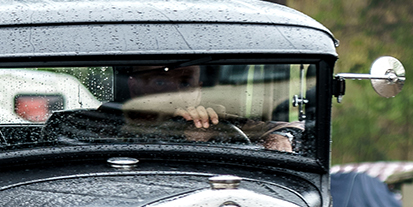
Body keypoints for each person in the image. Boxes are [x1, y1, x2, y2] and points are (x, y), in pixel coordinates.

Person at [121, 65, 298, 152]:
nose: (175, 93)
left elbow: (289, 127)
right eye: (160, 82)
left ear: (198, 90)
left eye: (185, 83)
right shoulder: (107, 123)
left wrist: (279, 138)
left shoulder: (214, 119)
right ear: (134, 87)